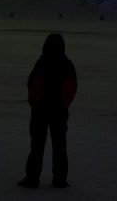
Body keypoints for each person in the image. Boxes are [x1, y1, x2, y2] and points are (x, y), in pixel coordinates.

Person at [19, 33, 77, 189]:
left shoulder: (42, 63)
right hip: (58, 111)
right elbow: (72, 88)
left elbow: (32, 84)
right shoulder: (67, 64)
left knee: (37, 146)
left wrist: (35, 103)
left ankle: (32, 179)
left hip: (40, 111)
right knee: (59, 147)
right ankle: (59, 179)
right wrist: (64, 104)